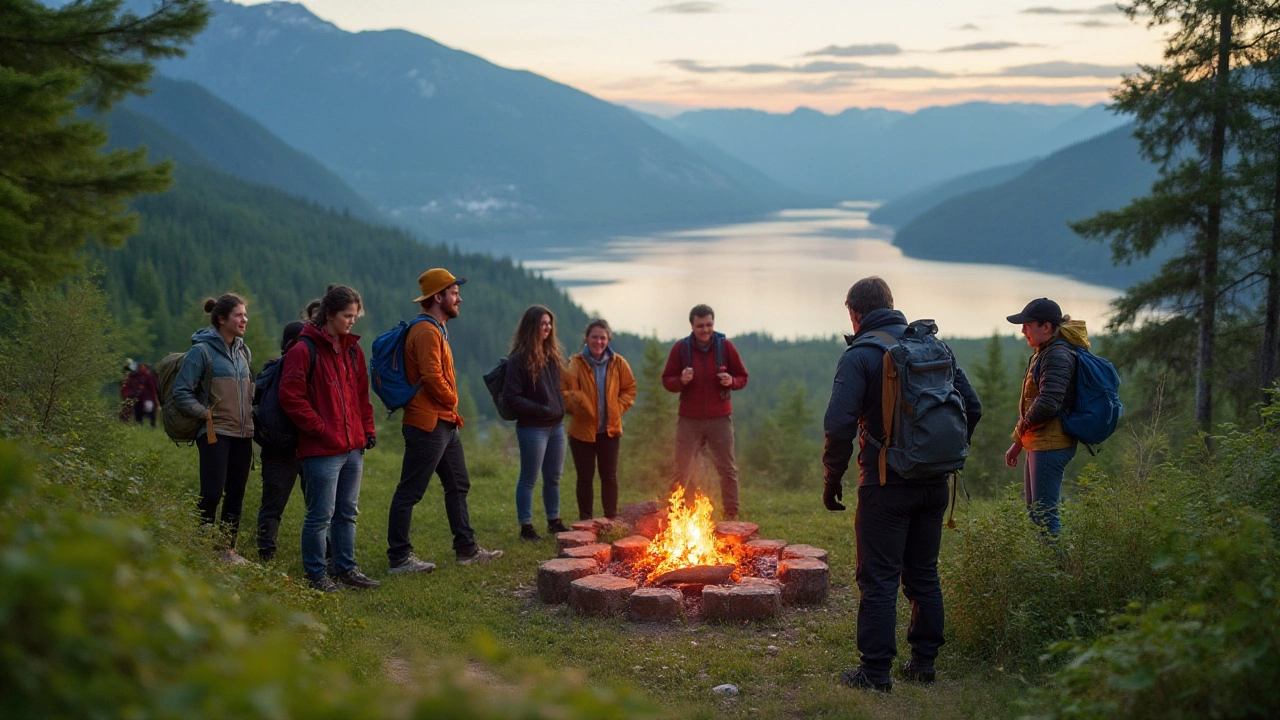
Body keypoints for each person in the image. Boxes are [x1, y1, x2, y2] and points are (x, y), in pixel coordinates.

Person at [821, 277, 982, 693]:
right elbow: (973, 407)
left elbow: (839, 424)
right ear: (891, 305)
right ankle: (923, 664)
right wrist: (943, 453)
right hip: (934, 484)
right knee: (924, 574)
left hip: (885, 484)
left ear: (854, 312)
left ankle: (875, 674)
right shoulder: (934, 348)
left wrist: (832, 476)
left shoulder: (861, 354)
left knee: (879, 578)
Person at [387, 268, 504, 571]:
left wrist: (450, 409)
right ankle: (399, 558)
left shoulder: (436, 328)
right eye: (453, 293)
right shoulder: (425, 331)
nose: (459, 298)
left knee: (458, 484)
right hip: (427, 423)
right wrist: (453, 399)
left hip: (444, 423)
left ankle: (466, 549)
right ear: (438, 297)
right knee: (410, 491)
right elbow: (431, 376)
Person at [278, 285, 380, 593]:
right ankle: (316, 575)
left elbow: (362, 396)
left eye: (355, 316)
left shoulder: (352, 349)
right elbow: (290, 396)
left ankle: (346, 568)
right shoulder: (303, 349)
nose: (352, 321)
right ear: (330, 315)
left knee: (347, 512)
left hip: (353, 447)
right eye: (347, 316)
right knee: (321, 514)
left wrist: (368, 431)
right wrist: (321, 428)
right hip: (322, 449)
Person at [171, 294, 255, 565]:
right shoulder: (201, 352)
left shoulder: (243, 351)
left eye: (244, 314)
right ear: (222, 319)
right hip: (214, 432)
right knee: (211, 493)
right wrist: (205, 415)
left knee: (236, 495)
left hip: (243, 434)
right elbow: (181, 392)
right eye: (239, 315)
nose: (244, 319)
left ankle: (225, 551)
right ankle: (198, 547)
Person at [1004, 298, 1086, 537]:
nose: (1022, 331)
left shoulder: (1057, 355)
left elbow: (1048, 403)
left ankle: (1061, 571)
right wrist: (1019, 442)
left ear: (1047, 327)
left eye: (1027, 325)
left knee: (1044, 515)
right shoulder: (1046, 352)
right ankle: (1051, 569)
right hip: (1040, 443)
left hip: (1051, 445)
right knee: (1036, 513)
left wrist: (1019, 433)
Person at [661, 304, 749, 520]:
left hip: (720, 418)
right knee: (682, 469)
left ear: (713, 324)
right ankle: (679, 514)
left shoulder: (725, 347)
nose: (705, 329)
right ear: (692, 326)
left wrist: (732, 381)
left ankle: (732, 514)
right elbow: (667, 381)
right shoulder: (681, 349)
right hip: (689, 419)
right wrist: (680, 380)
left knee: (727, 468)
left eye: (709, 324)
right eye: (700, 326)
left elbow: (743, 377)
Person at [502, 305, 569, 541]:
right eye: (542, 324)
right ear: (532, 326)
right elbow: (511, 397)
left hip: (556, 427)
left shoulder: (552, 356)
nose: (547, 328)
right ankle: (526, 527)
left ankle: (554, 521)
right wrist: (540, 409)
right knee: (529, 478)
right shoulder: (518, 359)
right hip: (533, 428)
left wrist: (559, 408)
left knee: (553, 477)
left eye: (549, 323)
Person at [561, 319, 637, 521]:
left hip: (610, 431)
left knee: (609, 477)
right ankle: (586, 521)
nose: (598, 341)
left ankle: (611, 519)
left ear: (608, 339)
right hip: (582, 432)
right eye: (594, 337)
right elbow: (566, 392)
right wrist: (580, 403)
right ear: (587, 339)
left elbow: (629, 389)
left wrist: (617, 408)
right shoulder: (575, 363)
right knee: (585, 479)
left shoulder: (619, 363)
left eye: (602, 337)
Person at [255, 320, 306, 562]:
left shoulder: (270, 370)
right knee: (319, 507)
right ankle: (328, 552)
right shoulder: (303, 366)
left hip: (275, 446)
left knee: (272, 505)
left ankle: (266, 552)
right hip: (307, 445)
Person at [121, 360, 159, 426]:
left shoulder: (147, 375)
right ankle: (139, 424)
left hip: (147, 397)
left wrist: (154, 398)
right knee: (137, 413)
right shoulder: (132, 376)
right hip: (136, 397)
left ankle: (152, 425)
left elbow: (152, 388)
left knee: (149, 408)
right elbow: (126, 387)